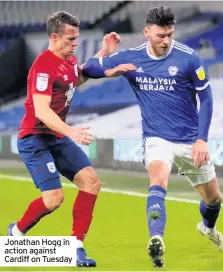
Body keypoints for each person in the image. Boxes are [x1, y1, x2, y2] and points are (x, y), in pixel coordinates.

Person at [82, 6, 223, 268]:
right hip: (156, 137)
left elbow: (206, 99)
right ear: (146, 32)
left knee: (214, 199)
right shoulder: (131, 57)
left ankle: (208, 228)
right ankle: (156, 241)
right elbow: (89, 68)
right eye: (160, 35)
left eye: (170, 35)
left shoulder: (189, 58)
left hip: (189, 139)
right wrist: (108, 60)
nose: (166, 41)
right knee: (158, 179)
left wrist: (202, 139)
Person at [7, 11, 135, 267]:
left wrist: (104, 54)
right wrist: (72, 131)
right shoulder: (43, 67)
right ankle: (17, 232)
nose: (75, 42)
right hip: (35, 139)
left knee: (91, 183)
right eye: (71, 38)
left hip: (56, 136)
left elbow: (78, 78)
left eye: (76, 37)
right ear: (54, 37)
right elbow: (42, 111)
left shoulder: (68, 60)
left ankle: (76, 247)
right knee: (54, 199)